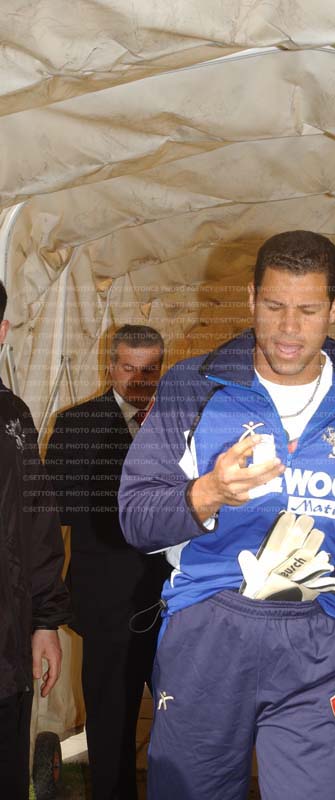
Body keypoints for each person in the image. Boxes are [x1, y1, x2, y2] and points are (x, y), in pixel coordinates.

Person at [119, 230, 335, 800]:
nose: (288, 329)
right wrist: (206, 493)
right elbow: (136, 515)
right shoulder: (194, 386)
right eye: (274, 306)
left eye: (308, 311)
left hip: (318, 634)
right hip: (207, 629)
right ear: (251, 299)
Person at [45, 324, 170, 800]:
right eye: (128, 368)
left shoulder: (182, 422)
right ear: (110, 365)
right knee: (110, 721)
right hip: (108, 602)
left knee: (184, 717)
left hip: (174, 601)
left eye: (149, 370)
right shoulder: (75, 424)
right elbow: (59, 510)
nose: (138, 380)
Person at [0, 280, 70, 800]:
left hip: (5, 652)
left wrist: (46, 621)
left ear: (2, 332)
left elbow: (38, 524)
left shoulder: (13, 416)